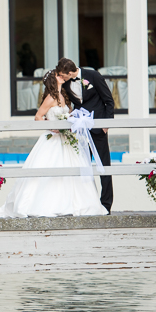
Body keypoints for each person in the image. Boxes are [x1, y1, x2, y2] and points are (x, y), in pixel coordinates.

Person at [0, 70, 107, 220]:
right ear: (53, 80)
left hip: (66, 141)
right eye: (58, 76)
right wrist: (53, 127)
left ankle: (75, 204)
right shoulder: (50, 97)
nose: (62, 77)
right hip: (53, 139)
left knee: (72, 170)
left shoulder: (63, 96)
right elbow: (38, 117)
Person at [55, 57, 115, 213]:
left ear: (70, 72)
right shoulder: (66, 83)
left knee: (104, 167)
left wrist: (106, 124)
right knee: (82, 167)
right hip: (80, 130)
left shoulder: (93, 76)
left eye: (63, 75)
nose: (62, 78)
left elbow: (108, 100)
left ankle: (106, 205)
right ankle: (87, 203)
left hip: (98, 128)